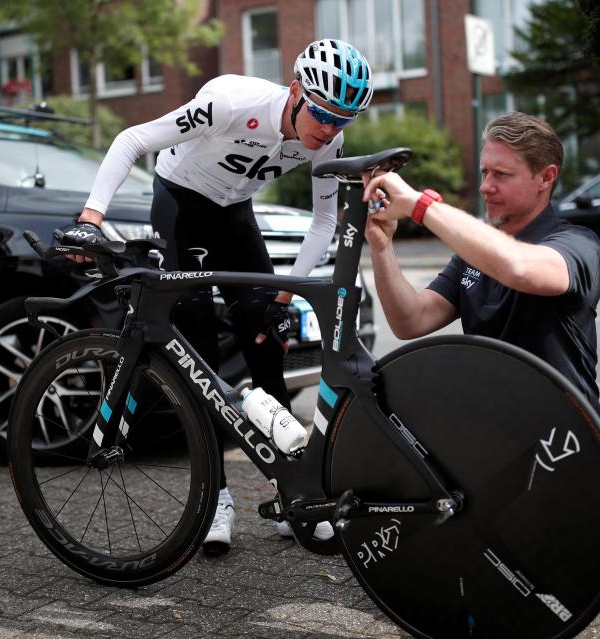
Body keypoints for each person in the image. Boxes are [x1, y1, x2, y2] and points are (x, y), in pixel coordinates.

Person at [61, 39, 374, 554]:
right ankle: (216, 498)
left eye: (343, 121)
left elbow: (323, 221)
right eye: (322, 114)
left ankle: (289, 491)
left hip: (235, 215)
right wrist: (91, 217)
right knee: (200, 351)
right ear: (295, 91)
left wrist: (281, 294)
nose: (329, 130)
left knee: (268, 342)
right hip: (182, 206)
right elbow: (131, 138)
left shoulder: (327, 141)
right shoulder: (230, 101)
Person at [362, 111, 600, 417]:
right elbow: (411, 321)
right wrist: (382, 248)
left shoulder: (577, 243)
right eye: (484, 172)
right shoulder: (473, 255)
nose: (485, 186)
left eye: (501, 174)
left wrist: (418, 205)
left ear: (546, 177)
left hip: (560, 440)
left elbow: (519, 268)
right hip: (490, 430)